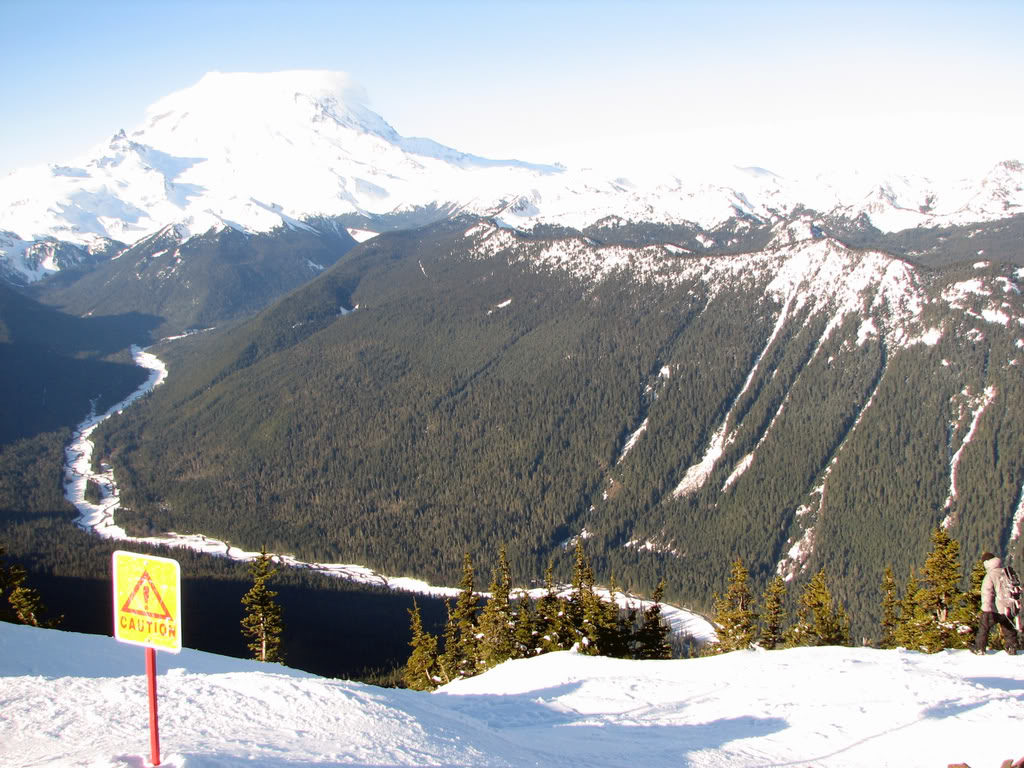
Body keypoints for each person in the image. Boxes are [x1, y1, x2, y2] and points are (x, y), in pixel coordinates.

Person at [974, 551, 1019, 656]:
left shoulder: (990, 575)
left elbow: (987, 593)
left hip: (994, 610)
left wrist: (986, 608)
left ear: (986, 563)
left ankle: (980, 648)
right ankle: (1012, 648)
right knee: (1009, 630)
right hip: (1008, 608)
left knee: (984, 628)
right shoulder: (1005, 572)